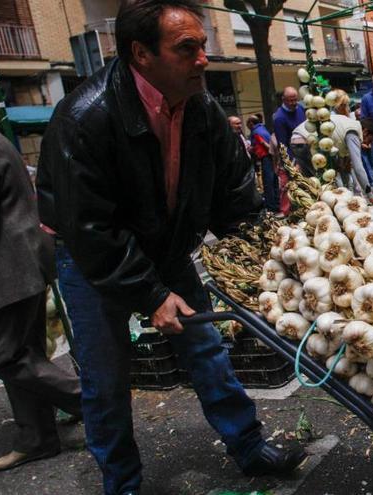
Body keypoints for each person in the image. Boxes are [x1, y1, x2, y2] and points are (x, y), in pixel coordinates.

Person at [36, 2, 305, 493]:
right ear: (141, 53)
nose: (203, 58)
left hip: (167, 244)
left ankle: (248, 445)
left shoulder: (201, 109)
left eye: (203, 45)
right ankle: (123, 483)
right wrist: (151, 295)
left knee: (206, 350)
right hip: (93, 258)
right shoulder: (85, 117)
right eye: (187, 48)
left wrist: (275, 253)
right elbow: (90, 227)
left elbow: (234, 198)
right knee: (106, 380)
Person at [0, 76, 83, 472]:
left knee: (2, 355)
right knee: (23, 353)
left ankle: (92, 402)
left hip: (3, 268)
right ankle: (37, 438)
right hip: (18, 263)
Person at [247, 114, 279, 214]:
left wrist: (251, 149)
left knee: (268, 182)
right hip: (272, 157)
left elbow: (264, 145)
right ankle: (277, 203)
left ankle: (271, 207)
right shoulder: (263, 129)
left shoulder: (255, 132)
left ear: (251, 123)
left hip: (266, 158)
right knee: (274, 181)